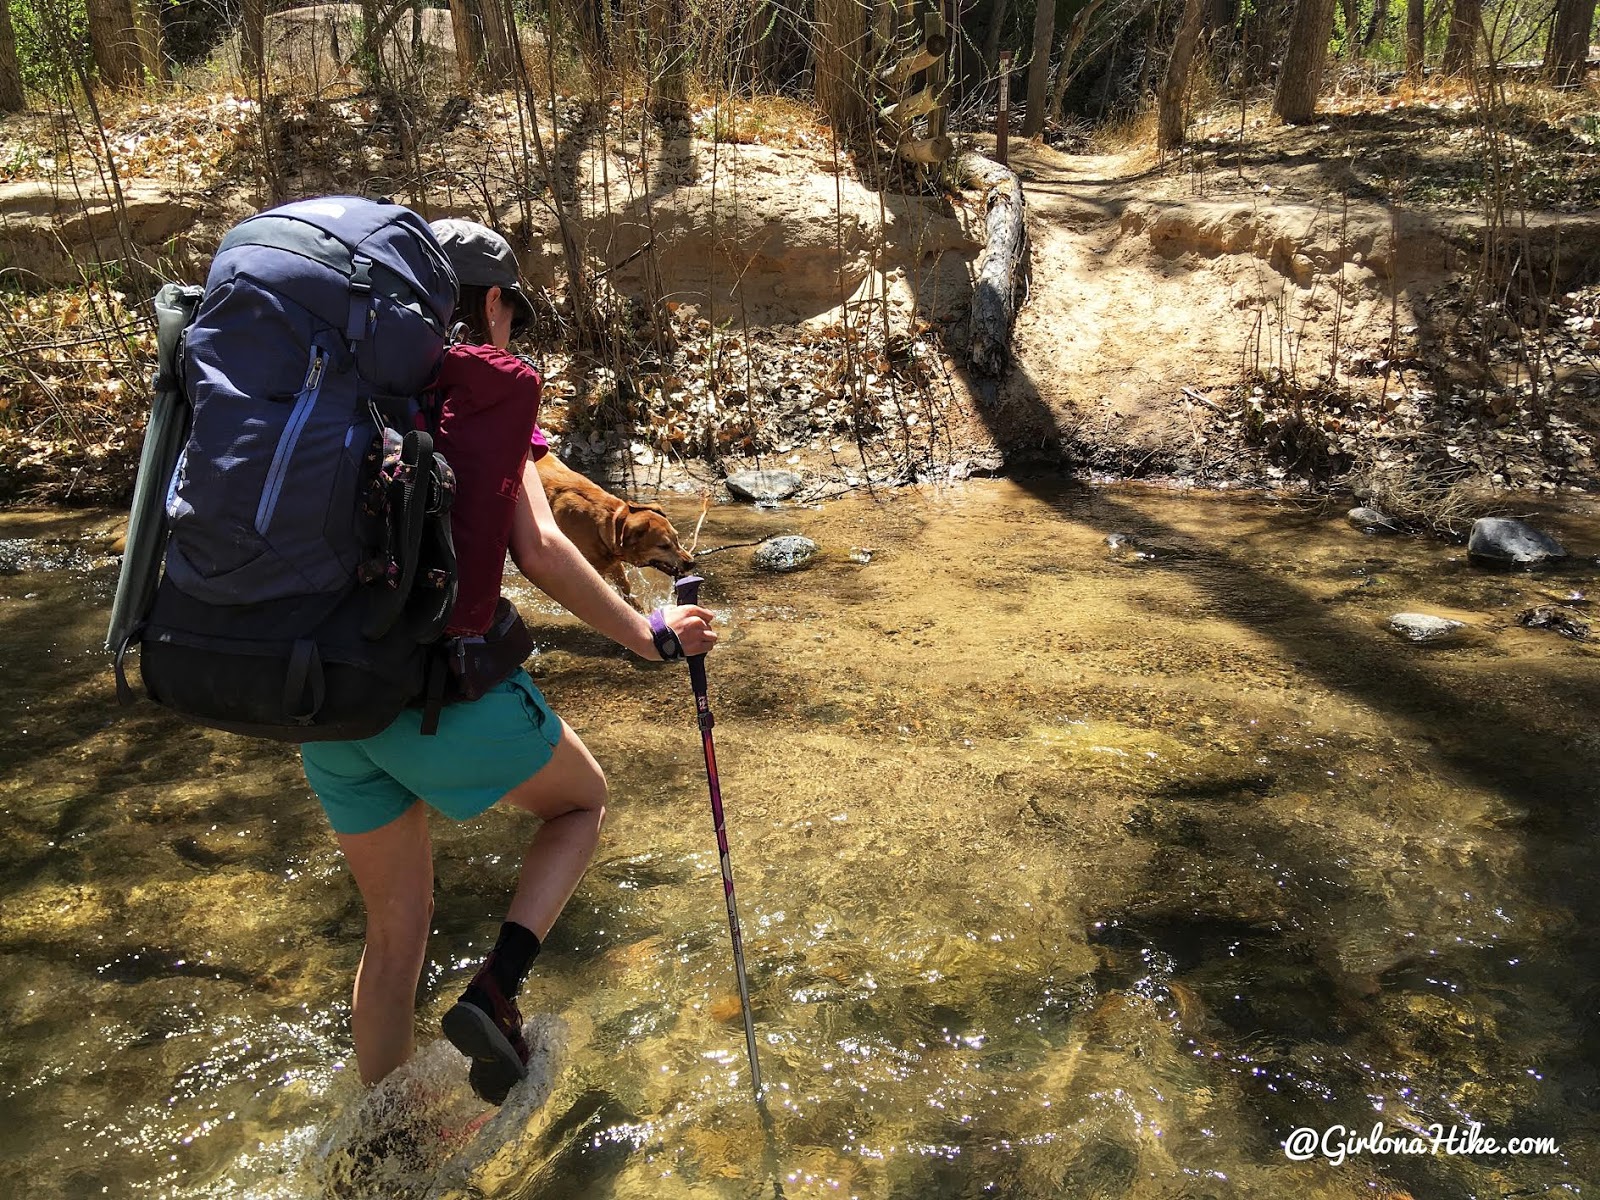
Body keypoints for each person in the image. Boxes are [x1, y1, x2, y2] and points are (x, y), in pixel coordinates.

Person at [298, 219, 717, 1107]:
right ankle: (496, 990)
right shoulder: (481, 393)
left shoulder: (342, 379)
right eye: (512, 312)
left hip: (324, 698)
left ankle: (389, 1133)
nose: (512, 332)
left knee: (395, 927)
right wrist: (651, 635)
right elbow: (542, 552)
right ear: (489, 301)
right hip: (428, 690)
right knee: (581, 802)